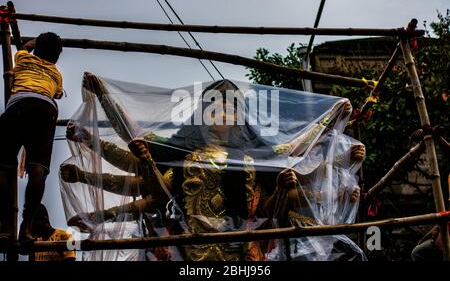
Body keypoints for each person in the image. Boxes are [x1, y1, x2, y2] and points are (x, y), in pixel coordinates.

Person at [62, 78, 364, 261]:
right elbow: (134, 142)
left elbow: (296, 151)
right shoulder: (182, 157)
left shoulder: (254, 156)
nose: (224, 114)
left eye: (231, 109)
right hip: (187, 248)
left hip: (242, 253)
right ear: (202, 116)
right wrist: (102, 98)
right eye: (216, 108)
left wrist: (331, 122)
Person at [0, 32, 63, 243]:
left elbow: (24, 46)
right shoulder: (56, 73)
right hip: (46, 110)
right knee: (38, 169)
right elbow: (58, 94)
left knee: (4, 165)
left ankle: (5, 228)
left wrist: (32, 42)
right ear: (56, 56)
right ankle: (26, 229)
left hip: (19, 104)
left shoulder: (23, 58)